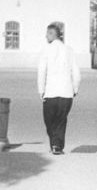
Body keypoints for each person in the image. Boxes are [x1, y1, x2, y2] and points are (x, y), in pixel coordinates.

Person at [37, 21, 81, 155]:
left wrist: (41, 90)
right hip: (66, 93)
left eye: (47, 34)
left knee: (49, 121)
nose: (45, 37)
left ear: (52, 34)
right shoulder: (69, 50)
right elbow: (77, 73)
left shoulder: (45, 50)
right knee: (61, 120)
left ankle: (55, 144)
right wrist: (75, 89)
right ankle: (57, 145)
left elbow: (42, 72)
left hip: (50, 92)